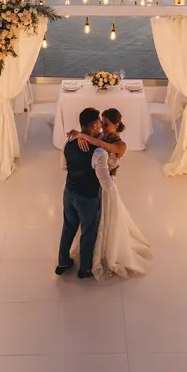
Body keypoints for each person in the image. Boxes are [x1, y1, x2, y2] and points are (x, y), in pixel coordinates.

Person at [66, 108, 152, 280]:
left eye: (106, 125)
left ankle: (106, 252)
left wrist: (82, 135)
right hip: (93, 185)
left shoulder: (120, 145)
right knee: (91, 222)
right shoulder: (99, 136)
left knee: (107, 220)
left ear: (116, 125)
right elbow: (94, 142)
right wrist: (80, 136)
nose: (102, 128)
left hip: (108, 188)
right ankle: (90, 251)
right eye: (101, 123)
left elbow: (103, 147)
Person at [56, 107, 113, 279]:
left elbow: (63, 166)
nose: (102, 127)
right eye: (100, 124)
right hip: (88, 197)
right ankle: (85, 268)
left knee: (68, 227)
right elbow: (105, 181)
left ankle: (62, 262)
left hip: (69, 192)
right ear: (94, 125)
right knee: (89, 231)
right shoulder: (99, 152)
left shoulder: (68, 143)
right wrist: (113, 184)